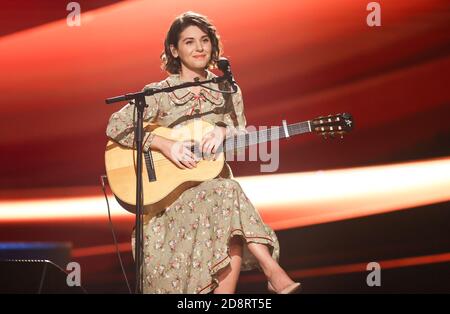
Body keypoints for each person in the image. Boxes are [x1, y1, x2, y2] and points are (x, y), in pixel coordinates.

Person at [106, 11, 300, 294]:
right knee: (228, 193)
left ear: (213, 45)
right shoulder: (159, 93)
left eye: (204, 40)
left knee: (224, 197)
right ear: (174, 49)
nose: (199, 48)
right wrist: (163, 143)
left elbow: (242, 131)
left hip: (215, 190)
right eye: (189, 42)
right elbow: (115, 125)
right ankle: (272, 271)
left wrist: (226, 131)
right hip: (169, 200)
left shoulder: (227, 90)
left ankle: (267, 274)